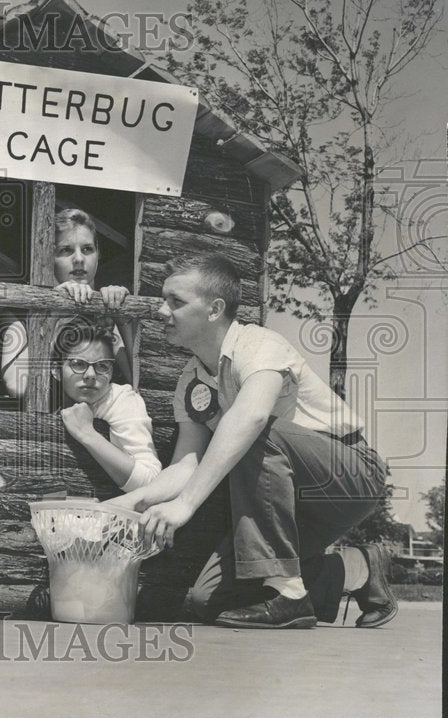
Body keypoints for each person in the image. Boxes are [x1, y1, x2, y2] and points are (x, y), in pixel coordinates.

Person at [113, 252, 396, 629]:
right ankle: (358, 569)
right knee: (208, 598)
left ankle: (291, 595)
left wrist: (185, 505)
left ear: (214, 309)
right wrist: (124, 504)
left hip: (349, 476)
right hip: (285, 502)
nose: (162, 311)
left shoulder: (259, 343)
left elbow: (252, 418)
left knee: (250, 429)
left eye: (175, 302)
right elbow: (186, 464)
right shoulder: (192, 377)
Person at [0, 208, 132, 406]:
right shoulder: (22, 314)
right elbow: (18, 386)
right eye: (66, 250)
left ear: (98, 254)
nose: (78, 259)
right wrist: (54, 312)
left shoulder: (105, 318)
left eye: (87, 249)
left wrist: (122, 315)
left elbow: (138, 380)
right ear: (47, 258)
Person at [53, 319, 161, 494]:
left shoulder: (122, 400)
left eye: (102, 366)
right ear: (56, 370)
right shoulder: (50, 398)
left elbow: (151, 481)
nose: (90, 375)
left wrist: (86, 433)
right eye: (78, 364)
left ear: (111, 371)